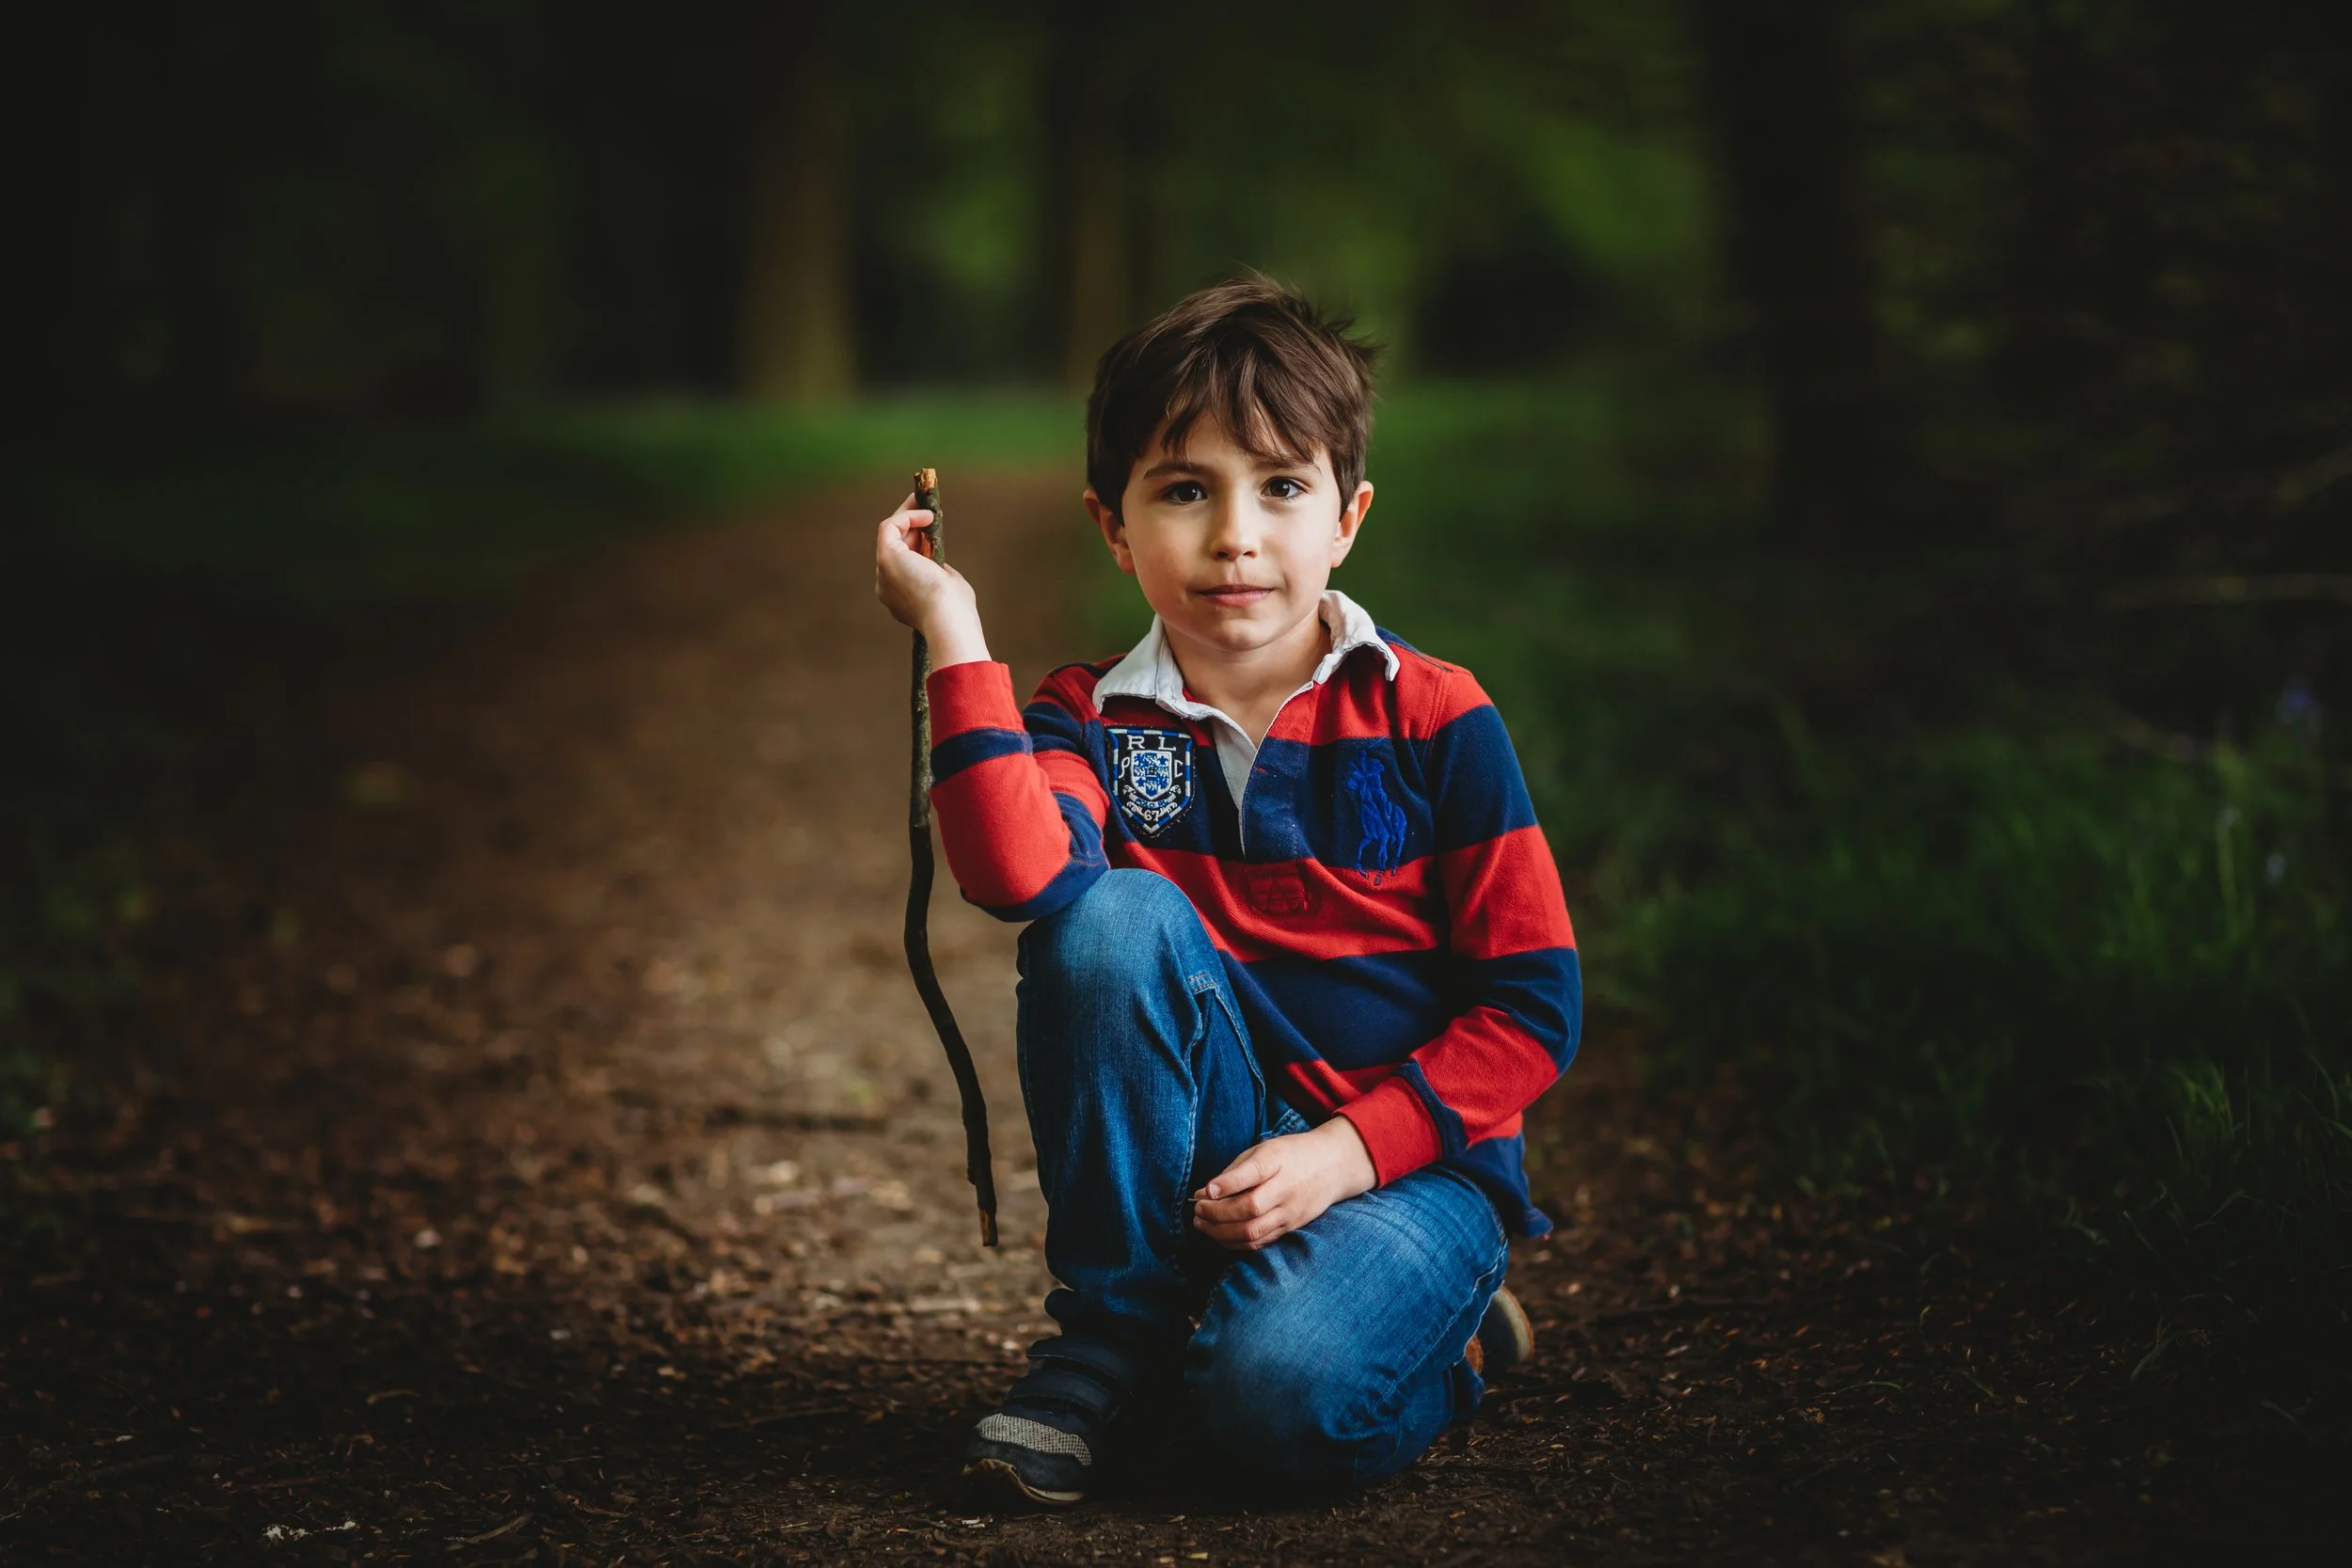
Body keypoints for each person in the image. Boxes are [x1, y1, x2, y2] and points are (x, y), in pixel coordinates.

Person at [870, 277, 1581, 1505]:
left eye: (1282, 486)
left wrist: (1345, 1155)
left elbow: (1532, 1008)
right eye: (1186, 488)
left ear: (1349, 517)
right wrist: (952, 628)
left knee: (1268, 1399)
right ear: (1115, 522)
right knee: (1104, 919)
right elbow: (1018, 875)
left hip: (1406, 1169)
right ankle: (1114, 1336)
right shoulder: (1090, 715)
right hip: (1206, 1147)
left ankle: (1449, 1344)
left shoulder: (1435, 715)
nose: (1236, 533)